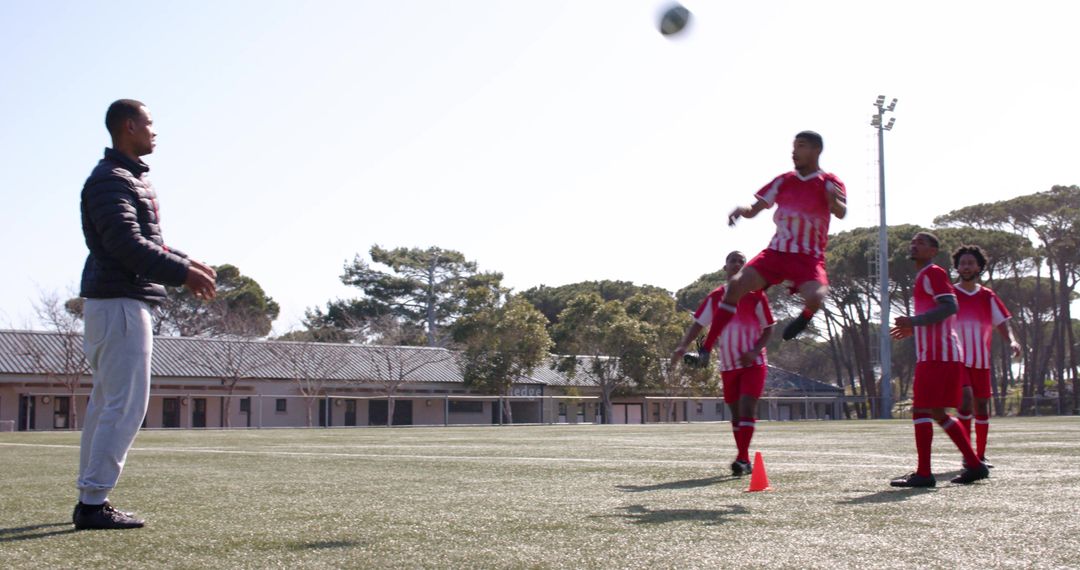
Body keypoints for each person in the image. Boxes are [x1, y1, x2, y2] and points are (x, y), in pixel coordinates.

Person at [74, 99, 217, 529]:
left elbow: (141, 239)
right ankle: (93, 505)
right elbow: (125, 244)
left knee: (106, 405)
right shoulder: (110, 180)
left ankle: (91, 497)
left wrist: (188, 261)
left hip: (115, 302)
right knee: (124, 406)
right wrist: (183, 275)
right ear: (129, 126)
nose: (155, 132)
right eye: (150, 123)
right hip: (119, 303)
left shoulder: (123, 178)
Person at [692, 131, 846, 367]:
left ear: (816, 150)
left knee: (815, 298)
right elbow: (754, 209)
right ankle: (705, 350)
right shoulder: (783, 180)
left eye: (801, 146)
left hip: (808, 257)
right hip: (776, 253)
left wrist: (833, 200)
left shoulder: (829, 182)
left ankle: (804, 317)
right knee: (734, 286)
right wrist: (740, 210)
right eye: (793, 146)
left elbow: (841, 211)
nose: (794, 152)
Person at [889, 232, 989, 487]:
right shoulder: (925, 275)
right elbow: (939, 313)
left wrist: (914, 321)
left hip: (938, 354)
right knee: (937, 412)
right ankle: (975, 465)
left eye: (921, 242)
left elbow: (949, 307)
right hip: (938, 354)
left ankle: (924, 474)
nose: (914, 245)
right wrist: (916, 326)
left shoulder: (933, 272)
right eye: (912, 241)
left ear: (933, 251)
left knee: (921, 410)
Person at [672, 251, 775, 476]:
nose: (737, 264)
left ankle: (741, 458)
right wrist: (683, 346)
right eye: (733, 261)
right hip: (728, 365)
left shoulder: (756, 294)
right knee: (736, 414)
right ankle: (744, 459)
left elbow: (768, 328)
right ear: (725, 266)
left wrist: (755, 350)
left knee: (748, 406)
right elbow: (698, 325)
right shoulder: (716, 296)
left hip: (753, 362)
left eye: (741, 261)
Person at [952, 244, 1021, 467]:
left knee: (981, 407)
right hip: (957, 360)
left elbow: (1002, 322)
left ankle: (980, 456)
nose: (966, 267)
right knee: (965, 402)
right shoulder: (950, 294)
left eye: (971, 263)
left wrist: (1012, 340)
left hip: (981, 361)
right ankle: (968, 456)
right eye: (962, 263)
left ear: (979, 266)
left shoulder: (987, 295)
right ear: (957, 267)